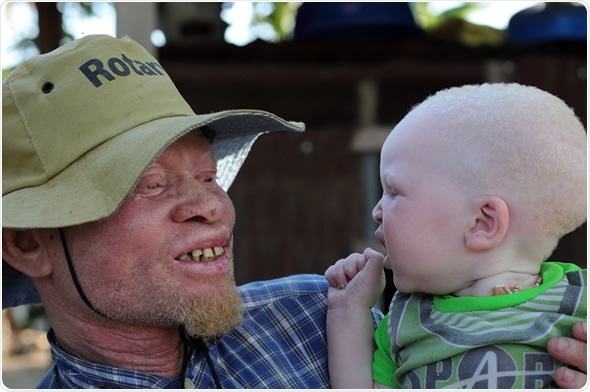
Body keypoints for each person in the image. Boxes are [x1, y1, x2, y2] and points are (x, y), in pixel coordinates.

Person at [1, 36, 585, 389]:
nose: (211, 206)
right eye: (148, 184)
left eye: (208, 175)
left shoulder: (319, 315)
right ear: (28, 242)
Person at [324, 83, 587, 389]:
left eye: (394, 191)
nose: (377, 211)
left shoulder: (580, 301)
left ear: (482, 223)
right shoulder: (406, 322)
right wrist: (347, 312)